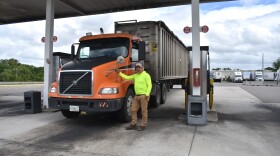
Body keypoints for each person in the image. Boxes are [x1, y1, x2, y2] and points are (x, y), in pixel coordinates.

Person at [116, 63, 152, 131]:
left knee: (143, 111)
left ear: (142, 68)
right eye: (137, 68)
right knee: (133, 110)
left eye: (139, 67)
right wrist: (119, 73)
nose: (138, 69)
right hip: (136, 96)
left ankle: (143, 125)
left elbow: (150, 85)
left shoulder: (146, 75)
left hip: (144, 96)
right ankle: (134, 123)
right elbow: (127, 77)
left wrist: (147, 94)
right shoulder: (135, 75)